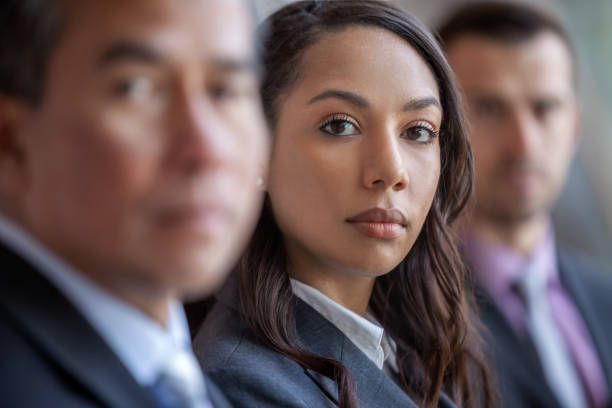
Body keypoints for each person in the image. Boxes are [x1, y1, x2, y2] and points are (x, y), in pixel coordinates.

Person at [193, 1, 493, 407]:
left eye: (418, 131)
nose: (390, 170)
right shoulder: (245, 384)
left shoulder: (409, 352)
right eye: (340, 125)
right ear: (257, 147)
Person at [0, 0, 268, 406]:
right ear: (11, 142)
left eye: (226, 91)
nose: (207, 148)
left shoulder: (171, 371)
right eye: (136, 88)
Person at [438, 2, 612, 408]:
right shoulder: (407, 315)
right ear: (438, 126)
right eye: (489, 108)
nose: (524, 144)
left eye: (544, 108)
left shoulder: (606, 295)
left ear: (574, 127)